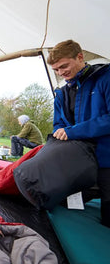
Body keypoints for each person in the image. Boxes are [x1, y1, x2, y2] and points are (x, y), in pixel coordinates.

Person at [47, 39, 110, 227]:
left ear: (80, 57)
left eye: (64, 66)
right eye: (56, 70)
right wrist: (60, 133)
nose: (61, 73)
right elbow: (58, 125)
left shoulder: (105, 78)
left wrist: (73, 131)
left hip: (106, 159)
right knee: (60, 201)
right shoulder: (61, 94)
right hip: (79, 161)